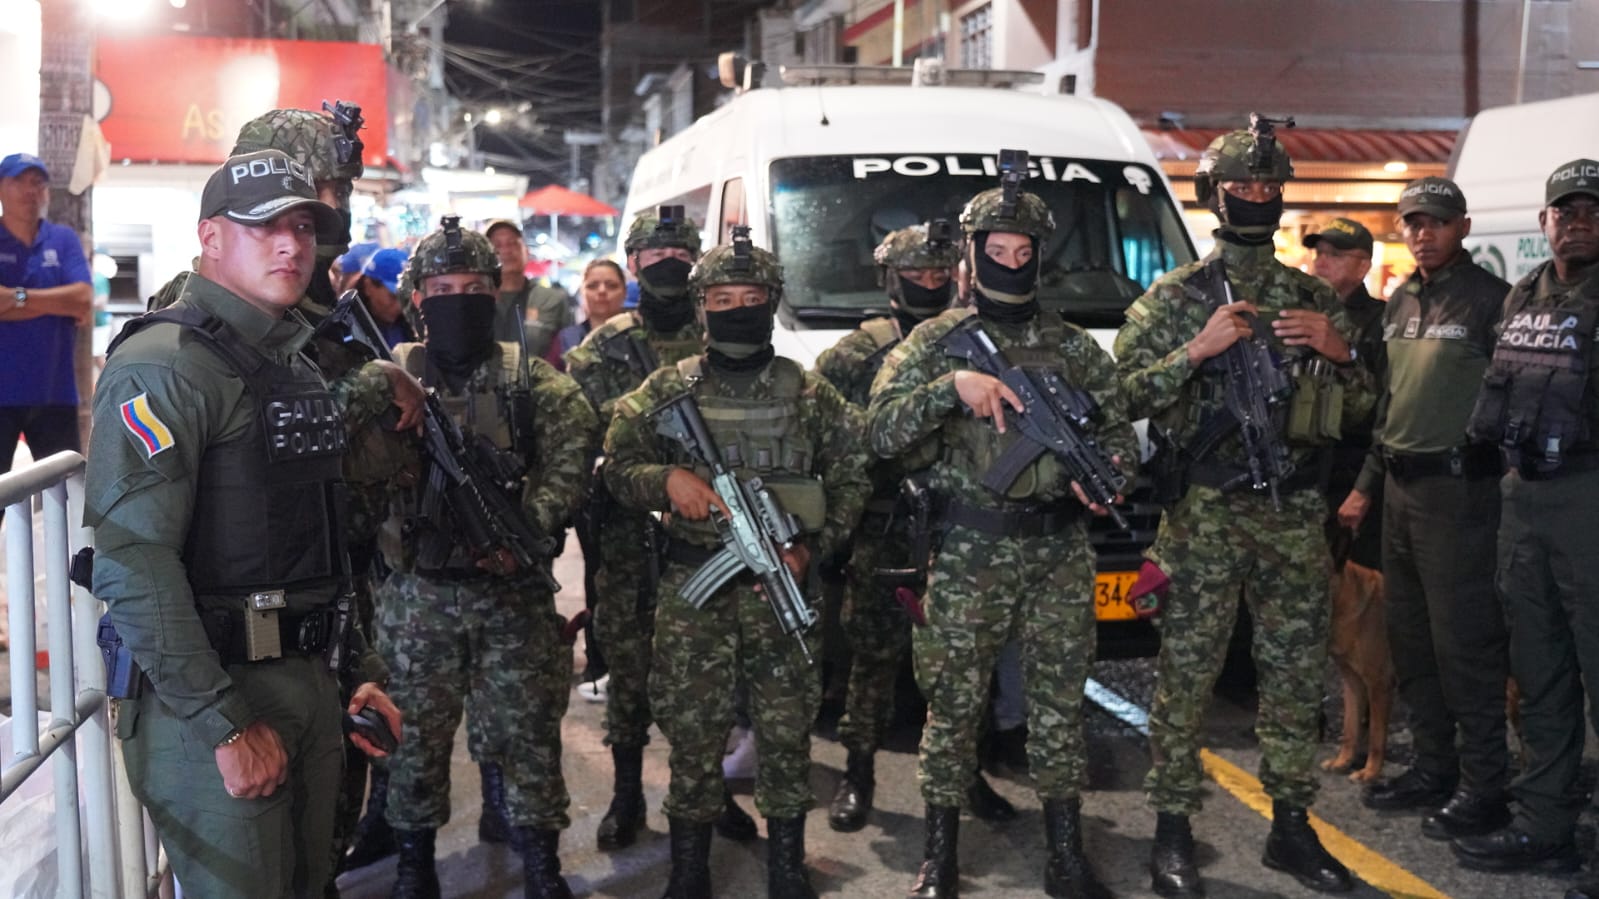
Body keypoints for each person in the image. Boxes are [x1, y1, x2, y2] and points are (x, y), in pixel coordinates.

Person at [84, 148, 402, 898]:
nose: (290, 244)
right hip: (213, 695)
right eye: (263, 227)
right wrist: (222, 724)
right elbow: (133, 561)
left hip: (304, 681)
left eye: (301, 226)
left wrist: (357, 671)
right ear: (211, 237)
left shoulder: (291, 363)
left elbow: (318, 541)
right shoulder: (166, 363)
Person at [1114, 119, 1371, 896]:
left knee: (1294, 677)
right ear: (1214, 193)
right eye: (1241, 187)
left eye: (1267, 187)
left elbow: (1361, 408)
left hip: (1292, 515)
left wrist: (1342, 352)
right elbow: (1118, 395)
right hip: (1203, 517)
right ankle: (1171, 831)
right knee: (1185, 677)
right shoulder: (1174, 297)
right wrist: (1195, 349)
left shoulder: (1309, 296)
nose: (1255, 197)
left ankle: (1290, 828)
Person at [869, 176, 1137, 899]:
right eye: (997, 249)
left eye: (1024, 250)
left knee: (1056, 705)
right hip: (967, 552)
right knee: (952, 707)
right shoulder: (935, 343)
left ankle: (1064, 853)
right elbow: (876, 433)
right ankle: (938, 856)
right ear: (973, 253)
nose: (1010, 261)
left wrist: (1105, 474)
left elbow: (1118, 436)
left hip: (1056, 550)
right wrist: (948, 388)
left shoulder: (1073, 346)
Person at [604, 229, 870, 898]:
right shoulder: (669, 388)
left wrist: (814, 544)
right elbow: (616, 465)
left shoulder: (806, 392)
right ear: (701, 306)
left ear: (771, 302)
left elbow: (854, 474)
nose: (737, 309)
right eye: (722, 297)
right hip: (696, 589)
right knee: (692, 732)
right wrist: (666, 481)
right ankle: (689, 869)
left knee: (786, 731)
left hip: (781, 587)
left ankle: (786, 866)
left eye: (751, 297)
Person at [375, 216, 595, 899]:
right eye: (442, 287)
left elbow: (570, 463)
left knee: (528, 735)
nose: (458, 299)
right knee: (412, 738)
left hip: (512, 593)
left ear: (496, 294)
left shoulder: (536, 384)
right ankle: (414, 863)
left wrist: (521, 529)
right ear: (418, 297)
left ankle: (541, 861)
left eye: (473, 286)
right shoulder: (387, 379)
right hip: (418, 593)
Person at [815, 220, 1018, 833]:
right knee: (872, 655)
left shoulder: (976, 342)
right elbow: (822, 436)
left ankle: (968, 771)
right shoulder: (855, 354)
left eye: (939, 276)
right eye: (915, 278)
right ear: (890, 281)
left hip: (959, 525)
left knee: (966, 657)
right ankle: (858, 769)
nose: (929, 286)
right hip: (883, 524)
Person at [566, 209, 758, 851]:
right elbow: (575, 444)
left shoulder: (725, 335)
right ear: (635, 261)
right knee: (627, 668)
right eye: (655, 254)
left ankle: (703, 793)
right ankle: (626, 797)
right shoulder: (600, 349)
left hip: (707, 539)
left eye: (680, 252)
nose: (668, 263)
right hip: (625, 539)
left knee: (709, 678)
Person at [1335, 179, 1512, 840]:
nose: (1423, 233)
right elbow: (1388, 406)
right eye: (1413, 222)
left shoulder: (1492, 300)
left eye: (1436, 222)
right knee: (1410, 641)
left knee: (1462, 644)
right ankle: (1432, 767)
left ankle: (1483, 784)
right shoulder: (1402, 300)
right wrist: (1363, 483)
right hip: (1399, 493)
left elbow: (1514, 397)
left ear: (1461, 226)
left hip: (1460, 492)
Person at [1451, 159, 1599, 885]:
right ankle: (1544, 824)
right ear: (1543, 223)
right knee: (1538, 671)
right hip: (1524, 498)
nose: (1575, 221)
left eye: (1590, 211)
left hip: (1589, 499)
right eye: (1563, 210)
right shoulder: (1523, 293)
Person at [0, 153, 92, 481]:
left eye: (38, 183)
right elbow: (70, 301)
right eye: (18, 181)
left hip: (54, 394)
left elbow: (82, 298)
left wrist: (16, 298)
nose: (30, 190)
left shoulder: (62, 239)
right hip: (2, 394)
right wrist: (56, 303)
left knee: (65, 502)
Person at [1304, 218, 1386, 570]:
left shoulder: (1380, 321)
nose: (1321, 261)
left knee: (1354, 593)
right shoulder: (1300, 313)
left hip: (1350, 471)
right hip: (1306, 471)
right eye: (1319, 252)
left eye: (1335, 254)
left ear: (1364, 265)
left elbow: (1384, 406)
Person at [486, 219, 574, 356]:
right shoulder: (477, 301)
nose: (506, 251)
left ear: (526, 251)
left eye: (513, 243)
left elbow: (567, 353)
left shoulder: (552, 300)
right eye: (497, 246)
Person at [546, 258, 626, 370]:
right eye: (592, 286)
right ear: (582, 293)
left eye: (611, 285)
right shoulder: (566, 339)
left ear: (624, 292)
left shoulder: (640, 336)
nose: (602, 291)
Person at [357, 247, 415, 348]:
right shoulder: (348, 330)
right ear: (368, 286)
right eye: (393, 297)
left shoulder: (413, 325)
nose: (399, 307)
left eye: (404, 299)